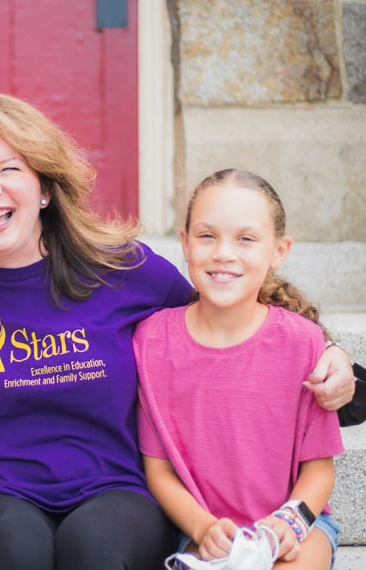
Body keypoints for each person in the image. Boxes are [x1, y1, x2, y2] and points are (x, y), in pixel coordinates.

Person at [0, 93, 355, 570]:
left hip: (113, 488)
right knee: (14, 549)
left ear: (46, 189)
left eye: (10, 169)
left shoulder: (122, 270)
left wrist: (333, 351)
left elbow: (230, 313)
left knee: (97, 549)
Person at [135, 169, 344, 569]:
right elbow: (158, 470)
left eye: (246, 239)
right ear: (184, 242)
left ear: (279, 251)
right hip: (202, 529)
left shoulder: (304, 343)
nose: (223, 253)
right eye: (207, 235)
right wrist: (201, 528)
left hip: (298, 525)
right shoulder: (152, 342)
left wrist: (290, 522)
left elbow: (319, 469)